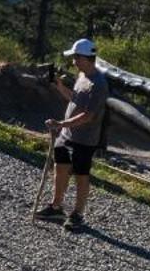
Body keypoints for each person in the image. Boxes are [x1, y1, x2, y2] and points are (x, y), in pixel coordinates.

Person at [37, 38, 109, 232]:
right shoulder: (82, 76)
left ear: (86, 58)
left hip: (84, 139)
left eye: (76, 57)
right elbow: (75, 99)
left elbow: (87, 116)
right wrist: (59, 86)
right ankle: (56, 206)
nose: (74, 61)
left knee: (81, 175)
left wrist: (60, 124)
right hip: (67, 134)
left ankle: (77, 214)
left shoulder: (99, 84)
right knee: (60, 168)